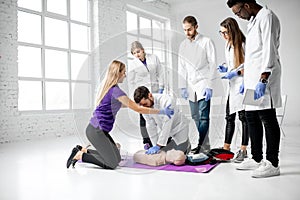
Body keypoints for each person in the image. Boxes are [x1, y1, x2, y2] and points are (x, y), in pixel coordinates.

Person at [66, 60, 173, 170]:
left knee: (116, 158)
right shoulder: (116, 91)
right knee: (111, 163)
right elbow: (136, 108)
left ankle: (83, 150)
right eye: (124, 72)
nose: (125, 75)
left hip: (99, 131)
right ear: (118, 73)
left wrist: (138, 103)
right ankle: (80, 155)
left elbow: (124, 104)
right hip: (96, 131)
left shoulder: (110, 89)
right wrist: (160, 111)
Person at [227, 0, 282, 178]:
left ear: (247, 5)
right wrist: (240, 73)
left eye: (238, 12)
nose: (239, 16)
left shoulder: (267, 17)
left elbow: (269, 49)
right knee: (251, 118)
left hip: (263, 77)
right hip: (251, 79)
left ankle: (272, 163)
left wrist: (264, 77)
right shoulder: (253, 21)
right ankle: (256, 158)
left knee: (267, 118)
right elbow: (252, 55)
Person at [178, 16, 218, 154]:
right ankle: (205, 144)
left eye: (189, 29)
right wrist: (182, 86)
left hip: (203, 83)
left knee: (203, 117)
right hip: (190, 85)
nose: (187, 33)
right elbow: (181, 67)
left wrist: (210, 85)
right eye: (184, 30)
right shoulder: (183, 45)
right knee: (195, 116)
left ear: (196, 27)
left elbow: (212, 64)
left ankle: (201, 145)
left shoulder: (206, 42)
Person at [217, 17, 249, 163]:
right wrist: (227, 68)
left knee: (244, 118)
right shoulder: (228, 44)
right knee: (229, 117)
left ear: (232, 31)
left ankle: (243, 150)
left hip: (243, 85)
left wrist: (235, 73)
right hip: (232, 86)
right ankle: (226, 148)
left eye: (226, 33)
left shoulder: (242, 44)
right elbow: (234, 64)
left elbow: (250, 67)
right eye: (221, 32)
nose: (223, 36)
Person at [128, 41, 165, 150]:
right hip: (141, 93)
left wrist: (162, 86)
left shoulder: (154, 58)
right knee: (144, 118)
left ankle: (162, 138)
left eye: (138, 51)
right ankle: (146, 141)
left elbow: (160, 72)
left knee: (158, 114)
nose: (137, 55)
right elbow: (131, 81)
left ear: (143, 50)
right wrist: (134, 97)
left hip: (155, 91)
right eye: (134, 53)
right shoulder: (133, 63)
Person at [133, 86, 191, 155]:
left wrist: (158, 145)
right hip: (167, 134)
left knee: (178, 156)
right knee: (164, 155)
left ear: (150, 95)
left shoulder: (167, 101)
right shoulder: (144, 108)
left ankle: (187, 145)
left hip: (179, 129)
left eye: (145, 104)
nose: (144, 107)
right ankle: (169, 144)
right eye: (142, 105)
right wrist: (155, 145)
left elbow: (167, 124)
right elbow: (150, 126)